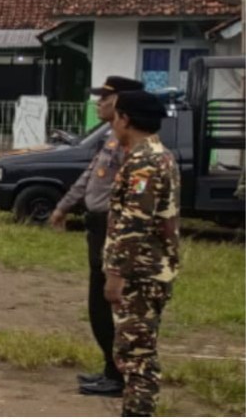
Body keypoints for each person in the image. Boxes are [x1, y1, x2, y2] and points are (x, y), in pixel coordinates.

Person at [50, 76, 145, 397]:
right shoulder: (110, 138)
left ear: (119, 102)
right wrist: (63, 207)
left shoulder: (133, 145)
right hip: (97, 226)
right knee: (97, 305)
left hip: (113, 229)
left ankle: (118, 376)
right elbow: (89, 177)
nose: (98, 103)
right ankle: (110, 369)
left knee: (109, 304)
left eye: (104, 98)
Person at [103, 90, 179, 417]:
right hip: (151, 270)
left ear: (126, 119)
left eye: (116, 115)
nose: (112, 122)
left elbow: (135, 221)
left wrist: (115, 276)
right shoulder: (159, 154)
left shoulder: (145, 162)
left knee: (136, 358)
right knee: (137, 354)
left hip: (140, 275)